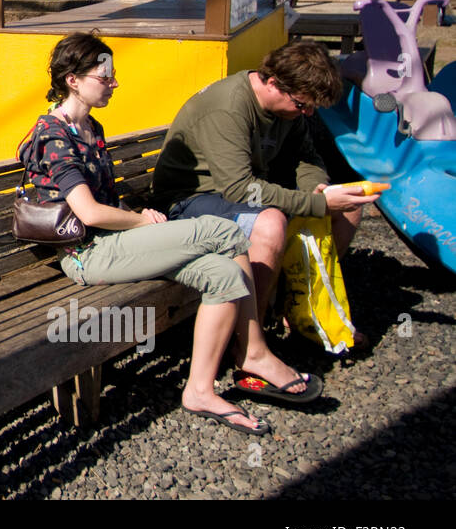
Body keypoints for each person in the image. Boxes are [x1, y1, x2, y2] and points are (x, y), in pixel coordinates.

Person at [22, 33, 320, 436]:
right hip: (87, 254)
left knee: (225, 275)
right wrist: (143, 220)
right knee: (222, 232)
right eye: (105, 76)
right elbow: (89, 212)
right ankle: (253, 352)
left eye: (113, 76)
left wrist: (138, 220)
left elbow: (105, 201)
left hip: (116, 242)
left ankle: (199, 390)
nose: (114, 83)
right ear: (73, 80)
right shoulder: (53, 135)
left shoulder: (91, 127)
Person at [151, 40, 378, 332]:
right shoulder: (229, 108)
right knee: (270, 224)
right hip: (188, 201)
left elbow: (306, 156)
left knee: (348, 210)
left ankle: (299, 304)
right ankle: (249, 336)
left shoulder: (287, 110)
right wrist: (317, 204)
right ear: (272, 83)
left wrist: (318, 189)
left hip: (236, 191)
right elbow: (240, 189)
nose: (306, 113)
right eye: (301, 105)